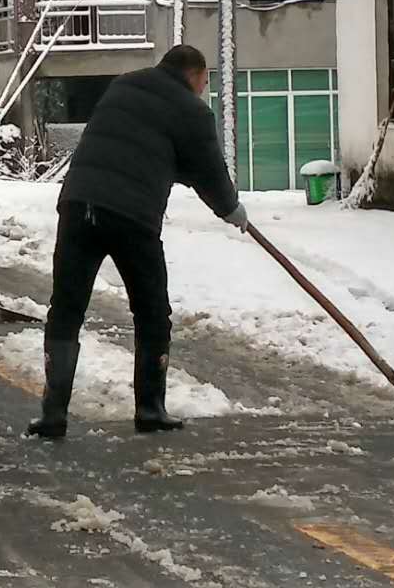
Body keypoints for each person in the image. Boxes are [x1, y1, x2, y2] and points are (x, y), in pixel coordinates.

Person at [28, 44, 247, 440]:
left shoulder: (123, 85)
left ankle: (52, 414)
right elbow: (208, 169)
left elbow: (149, 149)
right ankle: (150, 408)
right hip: (131, 215)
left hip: (79, 204)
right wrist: (230, 208)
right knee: (151, 312)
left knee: (66, 308)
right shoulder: (192, 110)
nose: (203, 88)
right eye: (204, 81)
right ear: (194, 76)